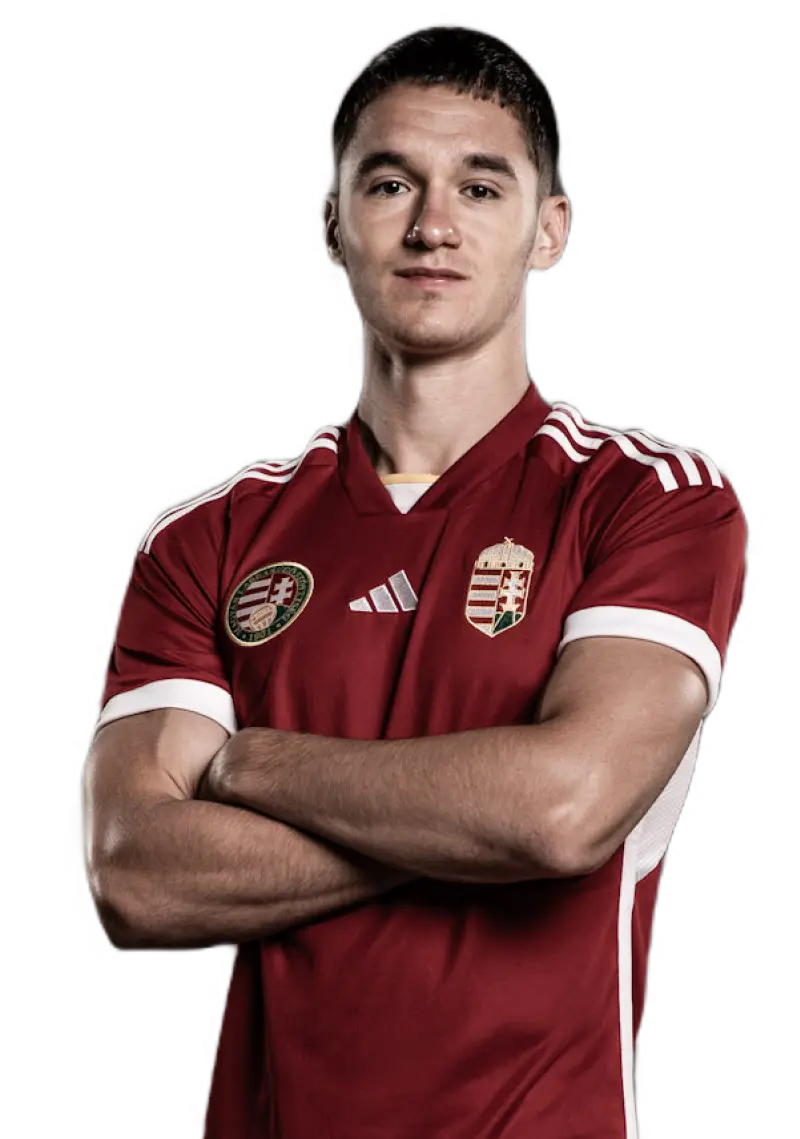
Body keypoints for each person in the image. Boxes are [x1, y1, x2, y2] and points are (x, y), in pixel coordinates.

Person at [77, 22, 749, 1139]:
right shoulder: (208, 537)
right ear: (331, 226)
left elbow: (558, 810)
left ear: (549, 230)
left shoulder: (649, 499)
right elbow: (136, 878)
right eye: (390, 183)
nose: (433, 224)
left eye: (480, 187)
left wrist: (249, 764)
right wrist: (469, 816)